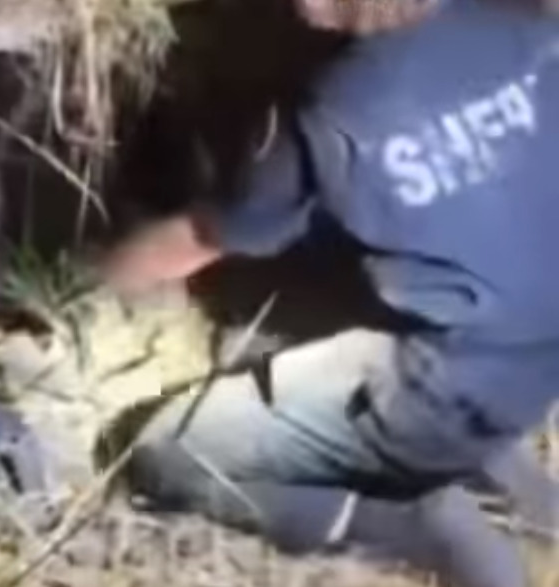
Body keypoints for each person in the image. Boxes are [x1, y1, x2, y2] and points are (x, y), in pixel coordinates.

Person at [99, 1, 559, 586]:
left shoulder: (336, 110)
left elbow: (202, 236)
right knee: (269, 319)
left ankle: (422, 520)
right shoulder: (523, 27)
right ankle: (529, 494)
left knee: (169, 452)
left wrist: (94, 273)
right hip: (540, 344)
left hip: (437, 389)